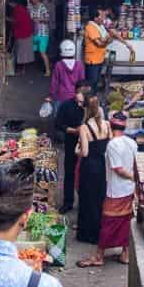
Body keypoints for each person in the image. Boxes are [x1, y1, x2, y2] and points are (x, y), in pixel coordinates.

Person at [80, 112, 137, 267]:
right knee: (126, 220)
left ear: (111, 127)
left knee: (108, 222)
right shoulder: (131, 142)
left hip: (116, 190)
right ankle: (125, 253)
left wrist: (132, 177)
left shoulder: (112, 145)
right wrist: (134, 179)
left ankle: (99, 256)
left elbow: (118, 169)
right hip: (129, 190)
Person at [75, 93, 111, 261]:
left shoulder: (84, 127)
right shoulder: (107, 125)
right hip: (102, 166)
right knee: (99, 199)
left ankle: (87, 233)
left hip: (89, 167)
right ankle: (99, 232)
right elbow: (109, 146)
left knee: (87, 199)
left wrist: (77, 149)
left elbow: (85, 152)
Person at [54, 81, 90, 214]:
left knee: (85, 175)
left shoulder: (91, 107)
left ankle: (84, 203)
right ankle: (68, 202)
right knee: (69, 173)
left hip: (88, 146)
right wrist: (73, 131)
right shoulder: (66, 105)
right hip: (71, 143)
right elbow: (58, 124)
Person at [83, 6, 133, 90]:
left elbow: (114, 34)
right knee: (92, 83)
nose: (104, 18)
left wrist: (127, 44)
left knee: (96, 82)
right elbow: (99, 43)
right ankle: (89, 101)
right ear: (95, 18)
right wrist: (108, 39)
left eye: (104, 16)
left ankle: (94, 100)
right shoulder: (90, 27)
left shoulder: (101, 26)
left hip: (99, 59)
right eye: (101, 16)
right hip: (92, 61)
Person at [48, 40, 85, 106]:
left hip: (61, 96)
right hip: (75, 96)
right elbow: (81, 82)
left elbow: (54, 82)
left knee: (59, 115)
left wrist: (51, 95)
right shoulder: (79, 65)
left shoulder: (58, 65)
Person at [28, 0, 52, 76]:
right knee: (33, 50)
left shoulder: (42, 7)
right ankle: (34, 68)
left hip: (43, 33)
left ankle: (48, 70)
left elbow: (47, 19)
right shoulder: (30, 7)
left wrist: (40, 19)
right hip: (34, 32)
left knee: (42, 52)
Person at [10, 0, 35, 69]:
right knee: (22, 52)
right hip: (25, 32)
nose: (9, 5)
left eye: (10, 3)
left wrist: (7, 19)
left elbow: (16, 21)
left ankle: (21, 68)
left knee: (21, 52)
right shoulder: (20, 9)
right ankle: (22, 68)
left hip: (23, 33)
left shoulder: (18, 10)